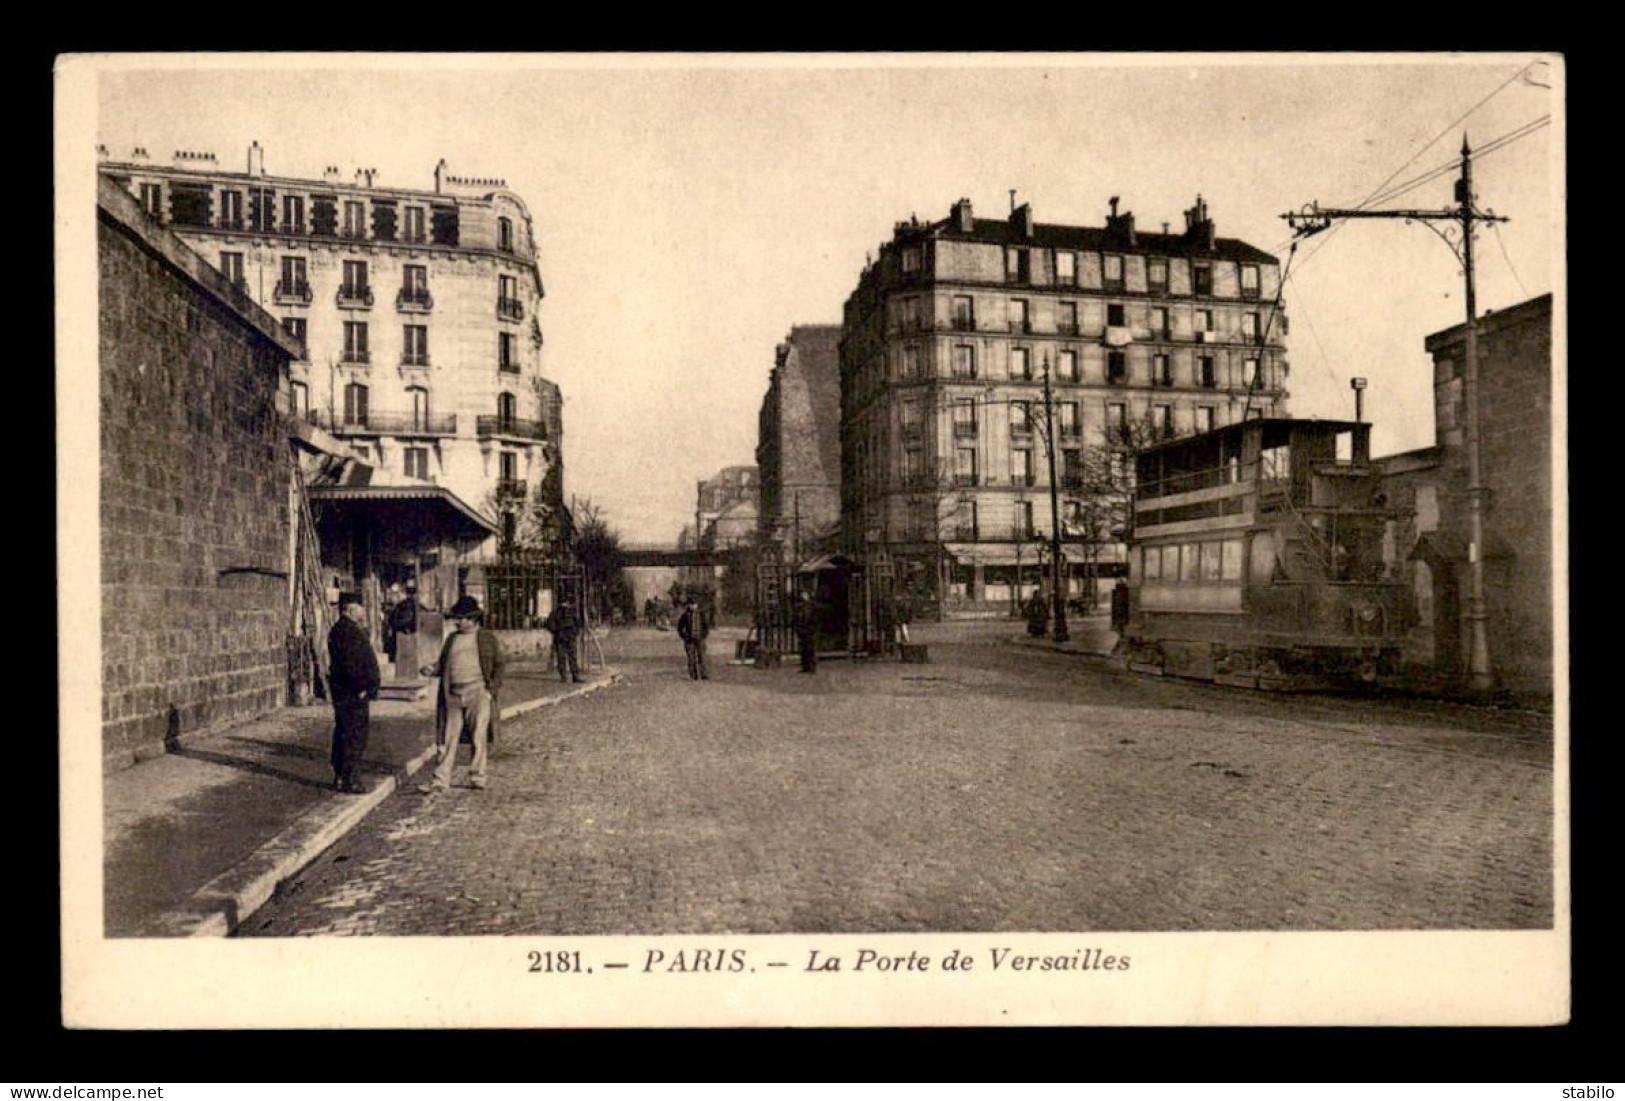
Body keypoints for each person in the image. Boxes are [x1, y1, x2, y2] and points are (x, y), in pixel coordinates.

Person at [418, 594, 505, 793]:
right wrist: (432, 669)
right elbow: (442, 664)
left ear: (472, 619)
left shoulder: (486, 638)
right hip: (453, 695)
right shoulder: (451, 639)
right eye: (456, 618)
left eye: (461, 618)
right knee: (448, 737)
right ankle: (441, 779)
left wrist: (490, 691)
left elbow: (499, 666)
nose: (457, 622)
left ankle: (477, 775)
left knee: (478, 735)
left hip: (478, 692)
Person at [327, 591, 380, 795]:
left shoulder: (344, 629)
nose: (363, 611)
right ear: (350, 609)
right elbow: (350, 665)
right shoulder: (347, 632)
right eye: (360, 607)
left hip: (347, 691)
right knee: (354, 734)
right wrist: (361, 687)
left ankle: (341, 776)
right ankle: (349, 778)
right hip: (352, 692)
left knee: (345, 731)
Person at [543, 596, 583, 684]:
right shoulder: (556, 613)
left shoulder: (571, 612)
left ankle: (575, 676)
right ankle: (564, 677)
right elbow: (549, 624)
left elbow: (578, 623)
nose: (565, 604)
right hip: (560, 638)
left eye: (566, 602)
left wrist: (574, 632)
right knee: (562, 658)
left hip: (569, 637)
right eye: (564, 602)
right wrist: (557, 631)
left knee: (572, 657)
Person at [676, 595, 710, 680]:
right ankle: (693, 675)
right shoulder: (685, 615)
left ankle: (703, 674)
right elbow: (680, 628)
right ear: (688, 605)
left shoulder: (701, 615)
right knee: (691, 659)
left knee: (702, 657)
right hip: (689, 640)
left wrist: (704, 636)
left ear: (697, 605)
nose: (693, 606)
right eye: (691, 604)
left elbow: (706, 626)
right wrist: (684, 636)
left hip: (700, 639)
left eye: (694, 604)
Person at [793, 591, 818, 674]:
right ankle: (805, 666)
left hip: (809, 630)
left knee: (810, 649)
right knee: (803, 649)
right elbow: (797, 619)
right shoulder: (799, 607)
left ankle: (811, 667)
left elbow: (814, 619)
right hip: (802, 630)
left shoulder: (811, 607)